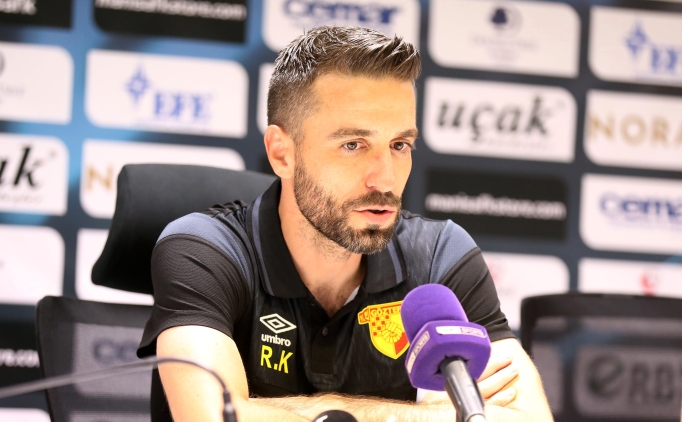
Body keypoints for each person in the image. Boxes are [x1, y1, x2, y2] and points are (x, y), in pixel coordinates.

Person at [137, 26, 554, 422]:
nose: (385, 180)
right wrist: (427, 416)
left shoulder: (441, 257)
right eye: (353, 145)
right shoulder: (203, 250)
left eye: (399, 145)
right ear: (282, 153)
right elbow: (213, 416)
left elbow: (528, 417)